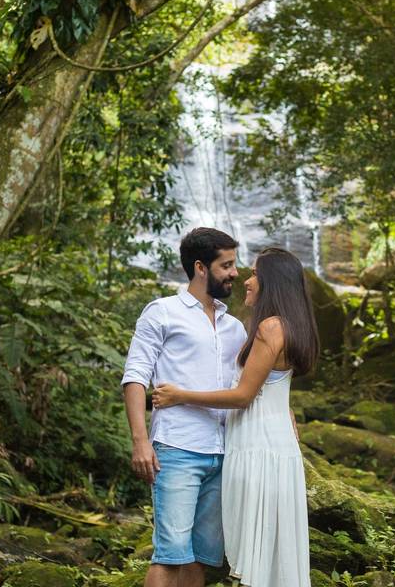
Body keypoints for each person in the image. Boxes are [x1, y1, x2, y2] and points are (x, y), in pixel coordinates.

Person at [152, 247, 317, 587]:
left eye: (255, 273)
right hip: (275, 445)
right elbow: (270, 387)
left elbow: (243, 395)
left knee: (257, 554)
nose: (247, 280)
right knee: (272, 548)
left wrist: (180, 395)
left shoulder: (270, 327)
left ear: (271, 282)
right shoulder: (293, 326)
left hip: (257, 446)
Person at [121, 228, 247, 587]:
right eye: (227, 265)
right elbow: (135, 377)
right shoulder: (162, 312)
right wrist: (140, 441)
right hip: (177, 449)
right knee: (170, 555)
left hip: (224, 454)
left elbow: (248, 388)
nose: (235, 273)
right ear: (200, 267)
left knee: (199, 559)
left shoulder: (235, 327)